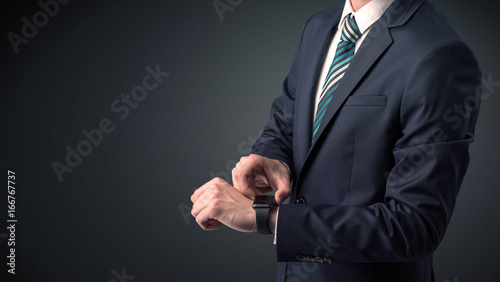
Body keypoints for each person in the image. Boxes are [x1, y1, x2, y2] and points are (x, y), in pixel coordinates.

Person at [191, 0, 481, 281]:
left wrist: (267, 217)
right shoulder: (318, 26)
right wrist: (272, 159)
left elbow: (414, 226)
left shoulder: (439, 52)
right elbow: (285, 124)